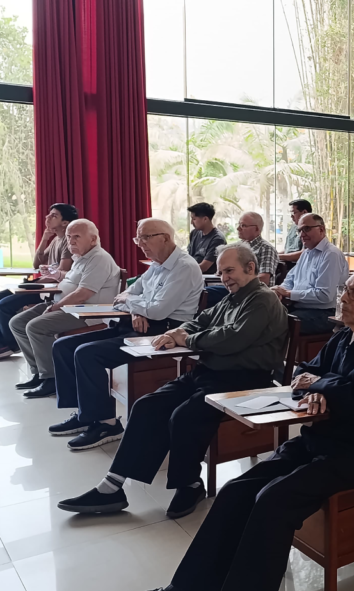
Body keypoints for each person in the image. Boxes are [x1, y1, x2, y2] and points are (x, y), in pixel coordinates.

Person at [99, 268, 354, 591]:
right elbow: (302, 372)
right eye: (345, 288)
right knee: (236, 490)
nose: (343, 296)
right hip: (319, 439)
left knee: (273, 499)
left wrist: (322, 386)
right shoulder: (346, 335)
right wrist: (322, 385)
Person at [57, 243, 289, 518]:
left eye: (229, 271)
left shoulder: (262, 299)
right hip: (211, 374)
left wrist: (187, 340)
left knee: (184, 416)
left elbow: (232, 338)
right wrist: (175, 333)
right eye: (221, 273)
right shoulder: (233, 297)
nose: (224, 278)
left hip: (246, 381)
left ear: (250, 268)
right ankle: (112, 486)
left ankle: (190, 484)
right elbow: (200, 320)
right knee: (146, 406)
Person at [49, 219, 204, 450]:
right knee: (63, 346)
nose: (140, 244)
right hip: (139, 324)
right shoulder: (157, 265)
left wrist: (135, 305)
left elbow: (157, 311)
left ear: (165, 238)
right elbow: (125, 294)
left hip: (166, 333)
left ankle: (107, 424)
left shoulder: (184, 267)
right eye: (138, 238)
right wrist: (137, 310)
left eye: (145, 237)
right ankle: (85, 414)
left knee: (87, 354)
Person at [11, 220, 121, 398]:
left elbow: (83, 293)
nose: (71, 241)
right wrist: (55, 277)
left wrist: (55, 307)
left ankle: (52, 378)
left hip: (87, 312)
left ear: (93, 239)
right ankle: (40, 372)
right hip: (66, 306)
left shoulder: (99, 258)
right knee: (17, 323)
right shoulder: (81, 257)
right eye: (69, 237)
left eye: (76, 236)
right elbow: (70, 281)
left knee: (35, 327)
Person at [0, 203, 77, 359]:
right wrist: (45, 238)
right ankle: (3, 342)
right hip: (44, 285)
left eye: (54, 215)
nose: (47, 217)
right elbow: (36, 264)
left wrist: (35, 282)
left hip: (52, 291)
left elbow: (62, 272)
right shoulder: (55, 240)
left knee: (3, 305)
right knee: (1, 296)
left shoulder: (67, 243)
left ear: (65, 223)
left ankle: (11, 345)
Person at [275, 213, 346, 334]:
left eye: (306, 229)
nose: (302, 234)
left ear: (321, 229)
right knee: (263, 314)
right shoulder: (306, 253)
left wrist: (289, 294)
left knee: (275, 323)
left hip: (324, 313)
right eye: (299, 230)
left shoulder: (331, 254)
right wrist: (279, 291)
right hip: (300, 308)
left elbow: (324, 295)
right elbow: (290, 280)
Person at [236, 211, 279, 286]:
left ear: (256, 229)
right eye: (238, 225)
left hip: (255, 291)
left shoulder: (266, 248)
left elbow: (264, 279)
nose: (238, 228)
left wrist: (236, 281)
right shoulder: (237, 246)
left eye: (243, 225)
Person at [186, 202, 227, 273]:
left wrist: (182, 270)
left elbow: (204, 267)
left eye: (194, 219)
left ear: (205, 219)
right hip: (193, 273)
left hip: (208, 277)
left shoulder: (217, 239)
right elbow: (189, 257)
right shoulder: (194, 233)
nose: (191, 222)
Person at [279, 198, 312, 263]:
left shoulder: (311, 229)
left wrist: (278, 256)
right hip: (286, 263)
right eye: (291, 213)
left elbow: (304, 253)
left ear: (304, 212)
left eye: (294, 212)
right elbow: (287, 250)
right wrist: (274, 254)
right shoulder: (293, 227)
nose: (291, 216)